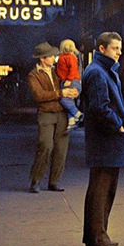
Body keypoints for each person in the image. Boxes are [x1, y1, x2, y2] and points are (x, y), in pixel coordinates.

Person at [80, 31, 124, 246]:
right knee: (101, 190)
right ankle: (98, 238)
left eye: (120, 49)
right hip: (106, 140)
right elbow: (99, 107)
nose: (119, 53)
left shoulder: (102, 70)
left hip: (106, 141)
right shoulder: (98, 72)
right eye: (115, 49)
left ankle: (97, 235)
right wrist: (118, 125)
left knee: (103, 189)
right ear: (102, 49)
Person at [26, 41, 78, 192]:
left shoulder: (56, 71)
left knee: (61, 148)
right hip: (46, 113)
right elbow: (39, 95)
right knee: (45, 146)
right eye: (50, 56)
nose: (54, 58)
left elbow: (69, 81)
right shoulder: (33, 75)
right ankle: (36, 181)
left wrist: (73, 91)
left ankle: (54, 181)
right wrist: (60, 93)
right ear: (42, 58)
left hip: (61, 112)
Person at [56, 38, 83, 129]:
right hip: (67, 81)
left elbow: (73, 69)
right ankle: (71, 120)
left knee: (64, 99)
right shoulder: (64, 57)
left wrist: (69, 80)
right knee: (68, 102)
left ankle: (78, 114)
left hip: (71, 81)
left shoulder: (70, 57)